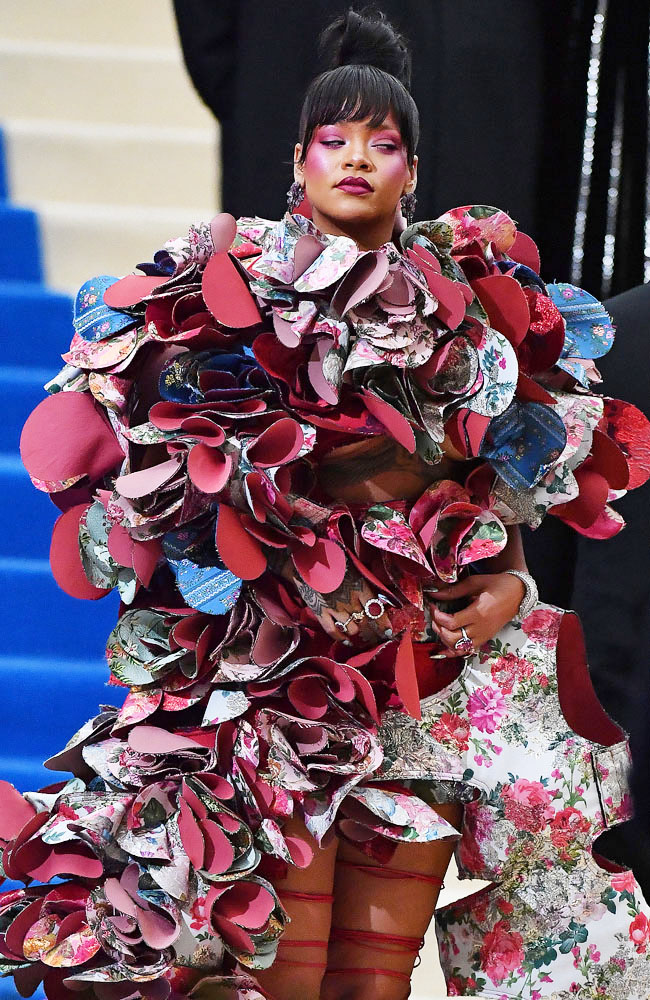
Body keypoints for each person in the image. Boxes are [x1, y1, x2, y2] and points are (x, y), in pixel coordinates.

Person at [3, 9, 650, 1000]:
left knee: (375, 981)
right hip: (279, 700)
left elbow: (502, 509)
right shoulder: (213, 294)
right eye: (333, 140)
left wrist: (505, 594)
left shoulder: (471, 306)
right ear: (296, 157)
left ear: (413, 166)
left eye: (380, 143)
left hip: (419, 688)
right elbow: (162, 491)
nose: (356, 159)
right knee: (284, 977)